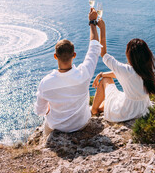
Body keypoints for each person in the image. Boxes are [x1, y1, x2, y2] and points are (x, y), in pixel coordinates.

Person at [34, 8, 105, 137]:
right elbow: (94, 47)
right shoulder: (84, 74)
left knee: (45, 131)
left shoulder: (46, 83)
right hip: (81, 124)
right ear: (74, 55)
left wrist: (48, 109)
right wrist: (92, 22)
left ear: (55, 56)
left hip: (56, 127)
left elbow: (40, 111)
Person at [91, 33, 155, 122]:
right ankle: (102, 108)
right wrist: (102, 74)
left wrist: (102, 28)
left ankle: (94, 110)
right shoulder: (146, 68)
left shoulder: (125, 69)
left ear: (129, 54)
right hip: (143, 109)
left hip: (126, 111)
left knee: (105, 80)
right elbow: (123, 75)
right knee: (113, 95)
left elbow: (103, 54)